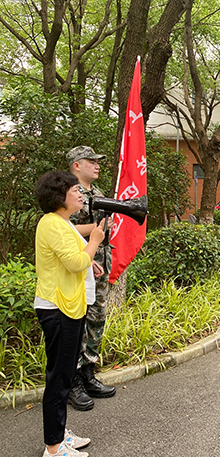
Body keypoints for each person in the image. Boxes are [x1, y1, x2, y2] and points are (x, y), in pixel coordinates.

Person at [34, 171, 106, 457]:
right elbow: (77, 262)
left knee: (63, 373)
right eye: (74, 190)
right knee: (60, 377)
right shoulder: (52, 224)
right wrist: (96, 241)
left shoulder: (61, 223)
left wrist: (93, 265)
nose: (80, 194)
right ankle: (53, 448)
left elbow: (76, 259)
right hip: (58, 309)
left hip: (68, 306)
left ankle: (60, 433)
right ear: (58, 196)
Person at [67, 146, 116, 411]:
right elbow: (63, 228)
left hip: (100, 263)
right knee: (78, 320)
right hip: (79, 265)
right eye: (91, 161)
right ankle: (72, 380)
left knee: (97, 317)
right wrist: (97, 230)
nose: (97, 165)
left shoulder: (97, 194)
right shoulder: (68, 193)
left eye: (98, 161)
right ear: (76, 165)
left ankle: (88, 372)